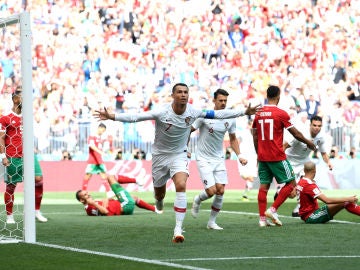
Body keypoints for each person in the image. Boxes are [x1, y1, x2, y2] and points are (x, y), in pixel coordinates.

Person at [94, 82, 261, 243]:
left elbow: (217, 114)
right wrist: (112, 117)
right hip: (160, 156)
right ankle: (158, 202)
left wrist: (244, 112)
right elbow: (136, 117)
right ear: (173, 95)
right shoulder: (162, 112)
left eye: (185, 92)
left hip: (179, 155)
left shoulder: (193, 112)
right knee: (159, 195)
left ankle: (178, 230)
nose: (183, 95)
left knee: (181, 185)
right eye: (179, 92)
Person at [252, 85, 316, 227]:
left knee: (264, 187)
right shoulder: (281, 113)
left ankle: (262, 220)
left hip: (262, 156)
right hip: (277, 155)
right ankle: (273, 210)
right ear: (278, 97)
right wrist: (309, 143)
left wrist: (258, 153)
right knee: (291, 183)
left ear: (267, 96)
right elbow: (296, 134)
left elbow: (255, 135)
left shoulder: (258, 113)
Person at [190, 89, 248, 230]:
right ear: (214, 101)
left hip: (218, 158)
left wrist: (239, 155)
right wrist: (185, 149)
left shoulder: (230, 117)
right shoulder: (204, 116)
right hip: (203, 158)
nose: (223, 103)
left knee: (221, 190)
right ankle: (197, 199)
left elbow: (233, 139)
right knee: (211, 191)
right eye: (220, 100)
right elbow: (188, 130)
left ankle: (211, 222)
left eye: (225, 101)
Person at [0, 89, 48, 223]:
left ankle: (36, 211)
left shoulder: (28, 116)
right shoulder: (5, 118)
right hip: (12, 155)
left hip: (29, 154)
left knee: (38, 179)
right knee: (11, 186)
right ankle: (10, 216)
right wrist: (3, 156)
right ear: (15, 99)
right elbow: (1, 138)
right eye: (23, 97)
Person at [281, 115, 333, 217]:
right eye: (314, 125)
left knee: (307, 183)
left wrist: (329, 162)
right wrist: (280, 160)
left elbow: (323, 153)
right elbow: (285, 146)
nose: (316, 127)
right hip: (290, 160)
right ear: (310, 124)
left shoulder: (321, 137)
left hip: (303, 162)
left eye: (319, 126)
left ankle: (298, 209)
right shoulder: (301, 133)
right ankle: (279, 193)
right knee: (291, 193)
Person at [76, 174, 162, 216]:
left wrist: (108, 199)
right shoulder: (90, 207)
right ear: (81, 200)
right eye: (86, 195)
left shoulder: (91, 205)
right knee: (110, 177)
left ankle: (155, 209)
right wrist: (102, 201)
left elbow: (104, 207)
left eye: (87, 193)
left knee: (134, 198)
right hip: (125, 205)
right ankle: (136, 180)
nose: (89, 194)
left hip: (124, 205)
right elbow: (105, 212)